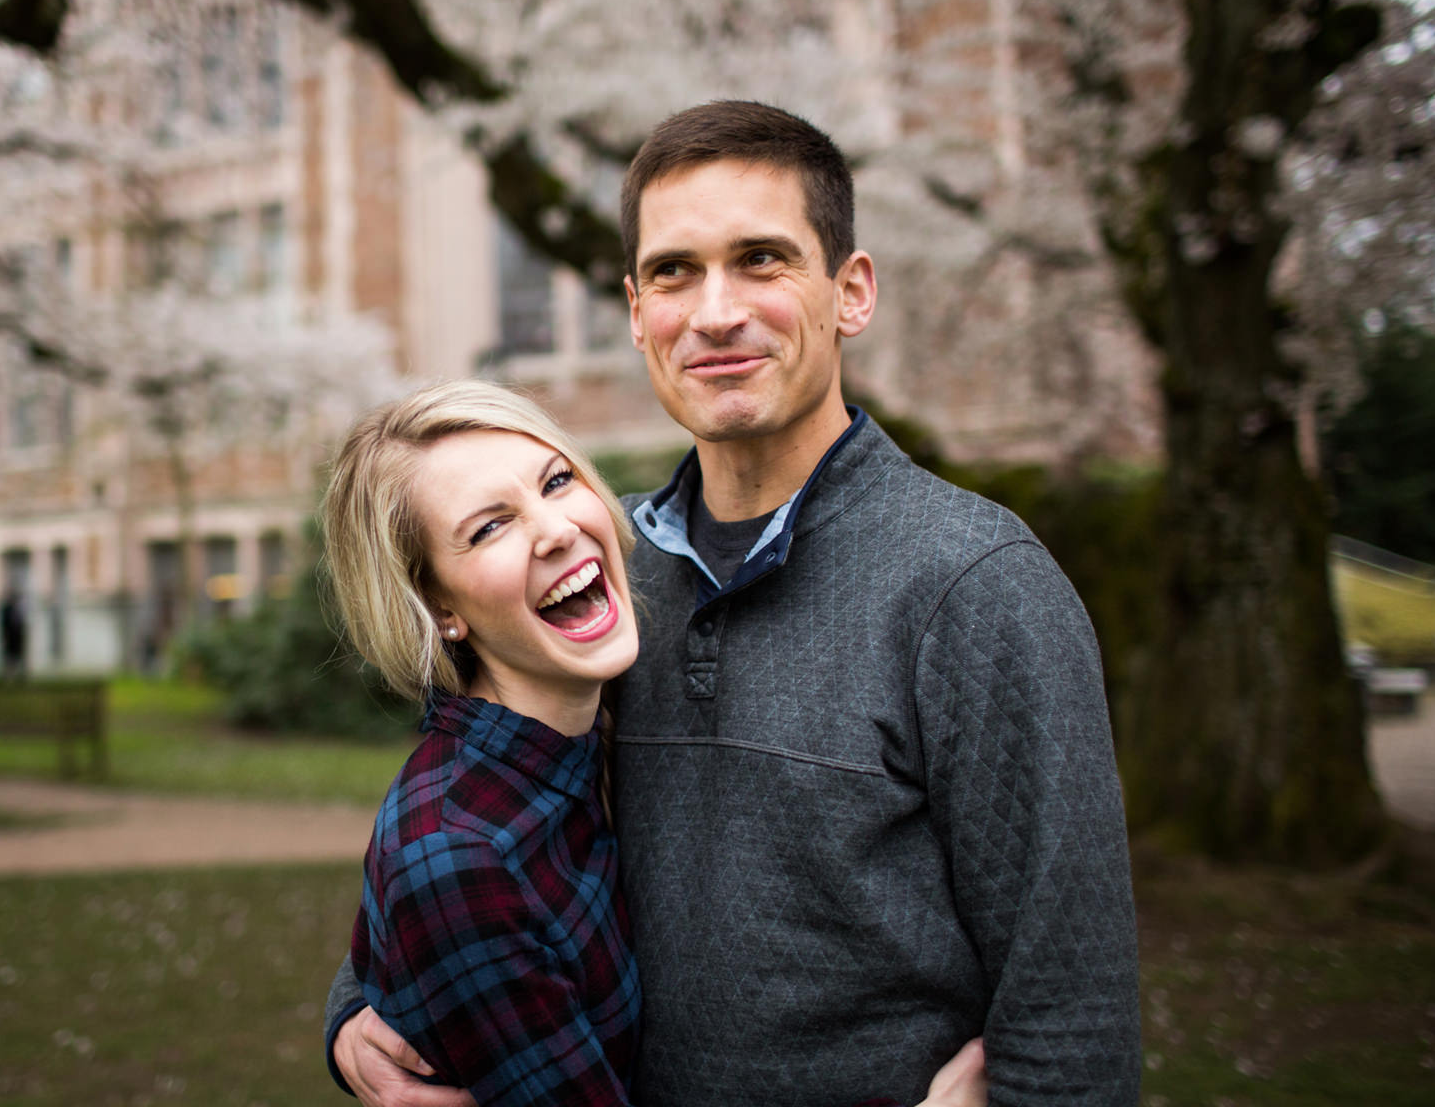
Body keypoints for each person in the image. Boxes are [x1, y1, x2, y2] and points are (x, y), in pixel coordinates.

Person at [329, 102, 1141, 1104]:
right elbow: (470, 818)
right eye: (675, 271)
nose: (715, 312)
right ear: (636, 313)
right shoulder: (602, 573)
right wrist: (355, 1013)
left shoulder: (976, 587)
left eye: (762, 259)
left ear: (850, 292)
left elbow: (1073, 1010)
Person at [321, 380, 988, 1107]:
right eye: (489, 527)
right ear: (438, 607)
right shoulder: (465, 858)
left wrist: (357, 1003)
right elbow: (436, 893)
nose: (554, 529)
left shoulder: (564, 732)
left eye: (557, 480)